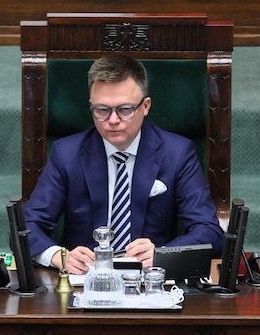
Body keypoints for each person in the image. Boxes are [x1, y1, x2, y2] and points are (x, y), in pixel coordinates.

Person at [23, 53, 224, 275]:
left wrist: (163, 254)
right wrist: (58, 256)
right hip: (83, 280)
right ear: (91, 106)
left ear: (145, 106)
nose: (113, 120)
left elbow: (209, 231)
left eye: (125, 109)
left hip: (150, 280)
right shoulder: (67, 154)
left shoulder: (177, 153)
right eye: (102, 110)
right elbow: (26, 227)